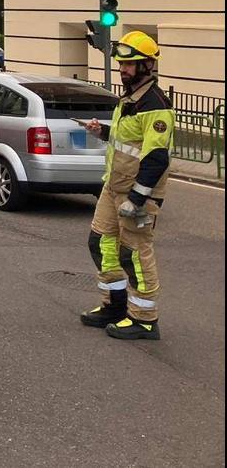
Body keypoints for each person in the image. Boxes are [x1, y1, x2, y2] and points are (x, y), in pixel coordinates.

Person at [80, 31, 173, 341]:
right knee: (101, 243)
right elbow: (129, 143)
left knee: (133, 253)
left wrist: (136, 199)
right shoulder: (130, 97)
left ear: (148, 66)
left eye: (130, 65)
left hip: (137, 193)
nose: (123, 69)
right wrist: (103, 132)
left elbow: (156, 157)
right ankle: (115, 306)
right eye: (121, 63)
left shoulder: (154, 103)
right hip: (113, 187)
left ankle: (145, 319)